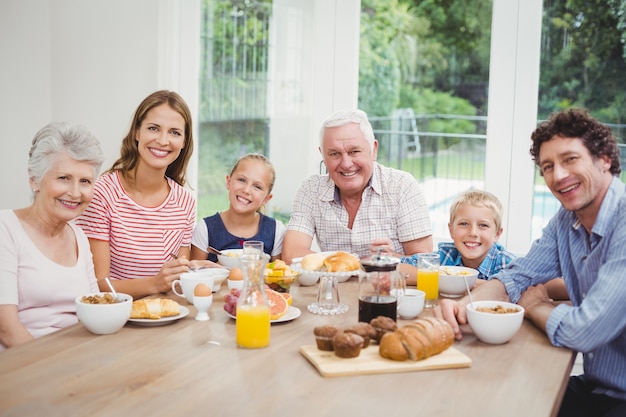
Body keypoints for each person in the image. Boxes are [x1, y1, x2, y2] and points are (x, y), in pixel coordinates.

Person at [438, 109, 626, 416]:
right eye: (548, 166)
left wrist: (537, 306)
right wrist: (463, 305)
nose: (558, 175)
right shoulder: (566, 221)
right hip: (598, 387)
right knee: (494, 400)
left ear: (604, 158)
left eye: (570, 159)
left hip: (620, 397)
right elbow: (517, 277)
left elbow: (584, 332)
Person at [76, 90, 203, 300]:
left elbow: (177, 279)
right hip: (114, 317)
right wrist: (154, 284)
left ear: (183, 142)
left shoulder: (184, 202)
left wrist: (196, 270)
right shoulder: (102, 194)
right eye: (153, 128)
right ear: (137, 132)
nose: (163, 140)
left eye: (174, 132)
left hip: (166, 315)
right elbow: (97, 285)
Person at [0, 122, 104, 351]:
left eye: (85, 181)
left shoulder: (79, 237)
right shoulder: (5, 228)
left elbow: (94, 311)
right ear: (34, 180)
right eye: (64, 178)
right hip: (24, 365)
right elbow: (6, 329)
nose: (75, 193)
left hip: (75, 358)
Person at [282, 109, 433, 264]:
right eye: (334, 154)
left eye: (354, 151)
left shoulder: (402, 186)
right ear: (323, 156)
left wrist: (392, 257)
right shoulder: (311, 189)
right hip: (333, 288)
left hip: (388, 287)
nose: (346, 164)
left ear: (373, 150)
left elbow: (426, 263)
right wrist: (348, 263)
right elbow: (292, 254)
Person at [402, 189, 516, 284]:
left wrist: (476, 284)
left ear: (497, 234)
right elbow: (397, 269)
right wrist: (446, 279)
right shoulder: (445, 255)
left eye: (483, 225)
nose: (473, 233)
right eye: (464, 224)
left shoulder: (507, 265)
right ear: (451, 230)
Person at [190, 153, 285, 262]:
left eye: (257, 187)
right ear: (229, 182)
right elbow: (195, 272)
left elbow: (278, 273)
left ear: (266, 199)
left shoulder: (276, 230)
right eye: (241, 180)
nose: (246, 190)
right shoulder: (205, 229)